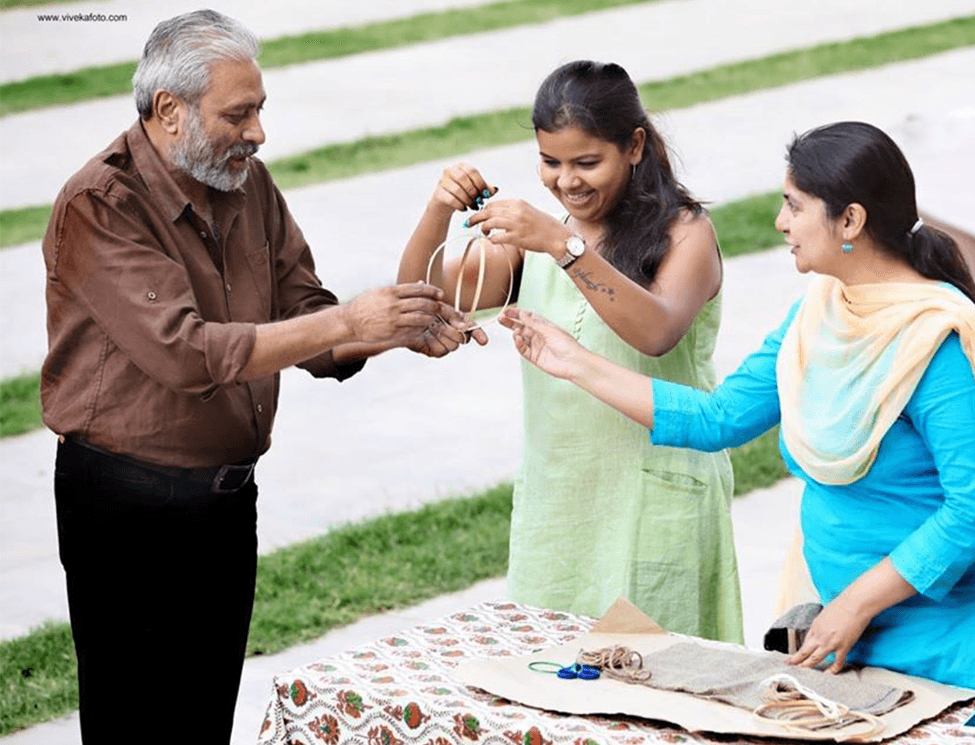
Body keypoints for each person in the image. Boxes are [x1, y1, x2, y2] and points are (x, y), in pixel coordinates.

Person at [41, 10, 481, 743]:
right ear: (169, 112)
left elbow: (304, 312)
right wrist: (347, 324)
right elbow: (185, 351)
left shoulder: (247, 184)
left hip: (223, 504)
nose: (258, 133)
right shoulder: (102, 202)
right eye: (238, 114)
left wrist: (392, 329)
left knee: (201, 719)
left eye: (260, 110)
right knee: (132, 723)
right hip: (125, 507)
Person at [500, 121, 975, 688]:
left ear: (849, 220)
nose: (780, 223)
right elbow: (716, 418)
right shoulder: (820, 312)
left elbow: (968, 510)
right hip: (842, 643)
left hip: (938, 646)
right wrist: (573, 361)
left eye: (794, 207)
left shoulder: (935, 341)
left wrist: (855, 605)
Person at [399, 60, 742, 642]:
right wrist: (438, 209)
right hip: (560, 508)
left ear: (634, 146)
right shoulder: (537, 244)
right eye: (550, 163)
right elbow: (418, 300)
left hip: (653, 504)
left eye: (587, 163)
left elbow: (655, 332)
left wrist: (563, 244)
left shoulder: (686, 233)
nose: (567, 181)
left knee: (654, 693)